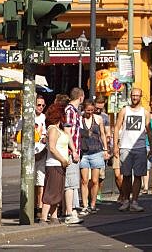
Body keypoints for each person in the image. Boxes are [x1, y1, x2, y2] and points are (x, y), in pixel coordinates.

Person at [114, 88, 152, 212]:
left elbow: (149, 130)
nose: (135, 98)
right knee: (126, 176)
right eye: (133, 95)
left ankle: (135, 202)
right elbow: (117, 127)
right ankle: (126, 200)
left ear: (141, 96)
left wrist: (151, 148)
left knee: (138, 176)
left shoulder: (145, 112)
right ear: (130, 96)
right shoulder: (124, 110)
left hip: (140, 147)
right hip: (125, 147)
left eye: (137, 95)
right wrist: (115, 145)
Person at [41, 102, 73, 225]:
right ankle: (44, 217)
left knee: (57, 192)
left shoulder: (58, 129)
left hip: (60, 165)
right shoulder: (53, 129)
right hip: (54, 164)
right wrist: (63, 160)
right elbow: (53, 148)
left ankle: (53, 216)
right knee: (51, 191)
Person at [78, 100, 107, 214]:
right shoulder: (80, 119)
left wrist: (105, 149)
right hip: (84, 153)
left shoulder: (98, 119)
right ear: (84, 109)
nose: (89, 112)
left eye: (91, 110)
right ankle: (85, 205)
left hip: (96, 152)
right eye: (87, 110)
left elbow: (102, 134)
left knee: (95, 181)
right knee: (84, 180)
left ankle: (93, 204)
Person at [62, 88, 84, 219]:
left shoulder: (75, 111)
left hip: (75, 151)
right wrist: (74, 150)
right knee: (70, 182)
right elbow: (67, 132)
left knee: (74, 182)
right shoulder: (70, 111)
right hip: (71, 152)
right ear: (81, 97)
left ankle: (72, 211)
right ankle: (69, 213)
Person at [33, 96, 48, 222]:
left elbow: (47, 134)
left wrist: (45, 139)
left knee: (41, 182)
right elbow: (17, 135)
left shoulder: (44, 118)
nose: (41, 107)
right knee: (31, 182)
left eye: (43, 105)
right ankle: (32, 206)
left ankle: (40, 207)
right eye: (39, 105)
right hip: (30, 155)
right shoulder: (27, 116)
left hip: (42, 153)